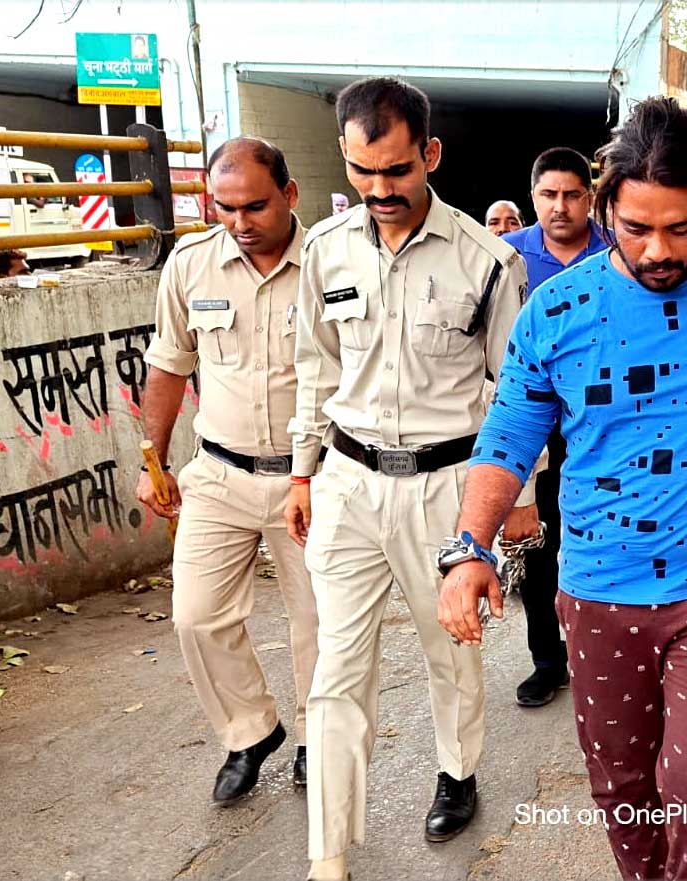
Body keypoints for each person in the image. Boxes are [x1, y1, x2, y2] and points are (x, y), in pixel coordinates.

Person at [438, 96, 687, 881]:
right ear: (606, 204)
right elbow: (508, 437)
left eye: (680, 227)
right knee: (623, 783)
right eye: (636, 226)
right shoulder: (555, 311)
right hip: (599, 587)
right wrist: (470, 545)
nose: (657, 249)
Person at [285, 77, 538, 881]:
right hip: (349, 482)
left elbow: (517, 392)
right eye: (363, 171)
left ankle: (457, 771)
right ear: (344, 157)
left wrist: (521, 500)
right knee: (336, 666)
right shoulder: (324, 251)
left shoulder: (488, 260)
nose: (380, 188)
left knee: (449, 648)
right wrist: (302, 471)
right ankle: (328, 852)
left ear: (429, 153)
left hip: (446, 485)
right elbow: (315, 368)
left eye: (397, 169)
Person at [137, 137, 318, 805]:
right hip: (218, 470)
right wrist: (152, 459)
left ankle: (317, 737)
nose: (240, 222)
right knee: (196, 616)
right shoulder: (190, 266)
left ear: (289, 194)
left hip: (313, 477)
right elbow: (169, 365)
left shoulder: (330, 264)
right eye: (225, 207)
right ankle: (250, 731)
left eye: (255, 206)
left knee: (320, 620)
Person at [499, 146, 608, 708]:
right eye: (548, 195)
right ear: (532, 197)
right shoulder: (507, 260)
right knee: (540, 551)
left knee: (605, 543)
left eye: (572, 195)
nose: (560, 206)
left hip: (605, 429)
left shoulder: (617, 252)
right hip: (538, 433)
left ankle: (607, 657)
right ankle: (548, 661)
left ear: (590, 197)